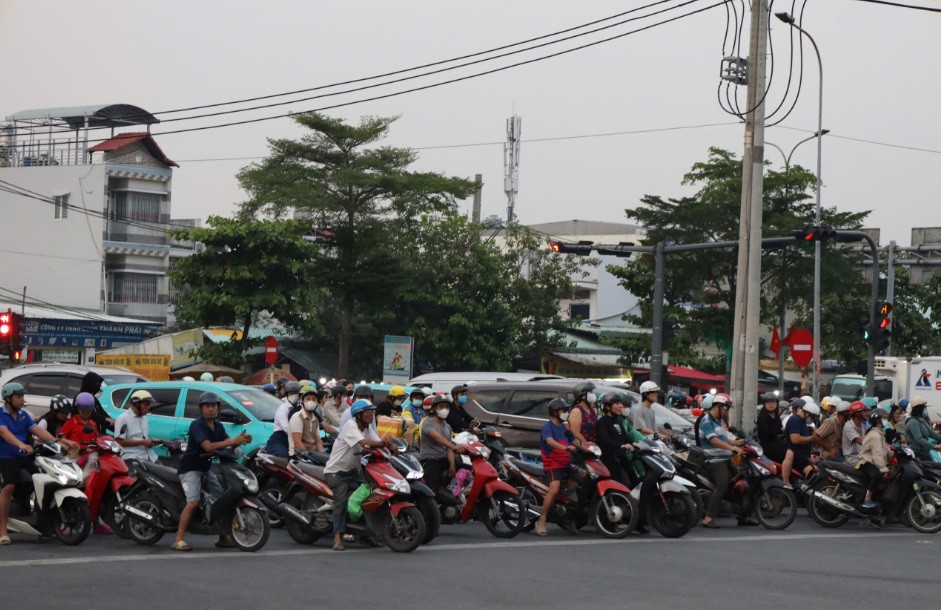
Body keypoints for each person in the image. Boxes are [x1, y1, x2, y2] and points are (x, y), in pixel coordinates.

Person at [172, 392, 251, 551]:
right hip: (191, 469)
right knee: (193, 501)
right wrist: (232, 441)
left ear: (218, 408)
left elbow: (227, 444)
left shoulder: (219, 426)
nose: (210, 409)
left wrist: (239, 441)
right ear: (201, 409)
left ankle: (223, 537)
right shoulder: (197, 425)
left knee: (220, 500)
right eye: (207, 406)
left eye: (214, 406)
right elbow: (207, 447)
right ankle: (178, 539)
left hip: (206, 469)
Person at [324, 400, 393, 551]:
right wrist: (381, 444)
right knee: (341, 500)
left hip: (353, 472)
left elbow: (377, 441)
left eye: (372, 412)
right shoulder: (351, 425)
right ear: (358, 415)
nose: (371, 415)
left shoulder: (367, 428)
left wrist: (391, 445)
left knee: (372, 493)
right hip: (336, 472)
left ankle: (365, 534)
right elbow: (363, 443)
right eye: (368, 412)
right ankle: (337, 537)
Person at [0, 382, 61, 545]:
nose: (22, 400)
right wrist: (20, 444)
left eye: (22, 396)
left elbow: (38, 431)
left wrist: (58, 442)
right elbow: (4, 433)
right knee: (8, 488)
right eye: (18, 397)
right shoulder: (0, 414)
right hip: (5, 457)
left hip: (24, 457)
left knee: (45, 483)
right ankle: (3, 530)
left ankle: (44, 526)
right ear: (8, 399)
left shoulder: (23, 415)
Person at [596, 392, 652, 534]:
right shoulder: (602, 422)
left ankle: (637, 520)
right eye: (617, 404)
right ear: (608, 406)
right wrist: (620, 446)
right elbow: (604, 440)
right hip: (609, 460)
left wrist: (642, 445)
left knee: (636, 485)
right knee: (621, 487)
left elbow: (627, 437)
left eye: (621, 404)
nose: (620, 406)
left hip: (622, 458)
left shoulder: (619, 422)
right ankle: (614, 520)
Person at [696, 393, 750, 528]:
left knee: (741, 482)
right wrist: (731, 447)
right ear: (718, 406)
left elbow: (723, 439)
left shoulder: (718, 421)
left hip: (725, 458)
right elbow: (714, 440)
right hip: (714, 461)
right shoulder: (706, 421)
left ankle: (743, 516)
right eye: (726, 408)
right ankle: (708, 518)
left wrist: (736, 443)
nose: (727, 411)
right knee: (723, 486)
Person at [534, 398, 578, 536]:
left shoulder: (564, 427)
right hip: (553, 464)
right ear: (554, 412)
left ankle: (566, 517)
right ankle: (542, 519)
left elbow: (574, 440)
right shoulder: (548, 427)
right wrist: (566, 448)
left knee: (576, 484)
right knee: (554, 488)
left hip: (566, 464)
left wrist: (584, 445)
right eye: (563, 410)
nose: (566, 413)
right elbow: (550, 441)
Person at [419, 395, 465, 494]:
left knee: (466, 469)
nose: (444, 409)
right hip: (429, 459)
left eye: (446, 407)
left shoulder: (447, 427)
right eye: (441, 406)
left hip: (443, 459)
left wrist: (452, 463)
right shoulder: (427, 422)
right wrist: (454, 446)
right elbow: (438, 438)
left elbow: (448, 448)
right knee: (433, 487)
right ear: (434, 408)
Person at [857, 410, 893, 512]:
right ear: (878, 421)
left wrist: (894, 454)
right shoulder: (875, 436)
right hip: (866, 461)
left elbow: (885, 449)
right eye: (884, 418)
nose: (886, 420)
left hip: (872, 461)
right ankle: (867, 500)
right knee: (877, 475)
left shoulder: (879, 434)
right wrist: (883, 468)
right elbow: (877, 455)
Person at [114, 390, 162, 463]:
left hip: (150, 455)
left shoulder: (144, 418)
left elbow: (142, 438)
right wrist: (143, 442)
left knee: (165, 472)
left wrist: (150, 441)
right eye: (146, 404)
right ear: (137, 404)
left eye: (150, 405)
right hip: (132, 457)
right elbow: (120, 442)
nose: (148, 407)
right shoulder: (122, 418)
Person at [780, 399, 819, 487]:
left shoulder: (801, 421)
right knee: (814, 477)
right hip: (799, 458)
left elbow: (804, 432)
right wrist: (812, 438)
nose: (811, 420)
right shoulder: (795, 420)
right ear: (808, 413)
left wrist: (813, 430)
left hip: (805, 456)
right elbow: (795, 439)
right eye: (812, 417)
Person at [60, 392, 102, 457]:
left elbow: (97, 440)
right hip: (74, 454)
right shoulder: (71, 422)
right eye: (83, 411)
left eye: (88, 412)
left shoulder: (93, 424)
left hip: (88, 455)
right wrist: (69, 442)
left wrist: (92, 447)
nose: (85, 414)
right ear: (78, 409)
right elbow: (59, 438)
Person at [266, 381, 301, 457]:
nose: (294, 395)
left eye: (296, 393)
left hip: (295, 439)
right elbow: (286, 428)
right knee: (285, 456)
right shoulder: (283, 408)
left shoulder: (300, 408)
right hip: (280, 439)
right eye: (291, 393)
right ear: (287, 395)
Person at [288, 387, 323, 455]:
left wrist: (324, 457)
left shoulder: (315, 419)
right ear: (302, 401)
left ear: (317, 403)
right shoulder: (297, 417)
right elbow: (297, 442)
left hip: (312, 455)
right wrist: (309, 457)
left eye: (314, 399)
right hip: (298, 455)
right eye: (308, 399)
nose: (311, 401)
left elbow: (318, 443)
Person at [756, 392, 787, 463]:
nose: (771, 404)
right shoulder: (762, 416)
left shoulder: (775, 414)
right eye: (768, 402)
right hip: (767, 446)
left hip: (776, 442)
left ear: (777, 403)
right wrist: (781, 431)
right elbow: (767, 433)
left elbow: (779, 428)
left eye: (773, 402)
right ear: (764, 404)